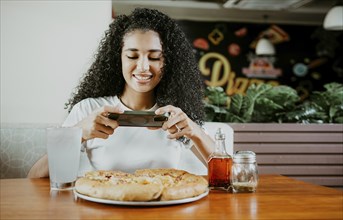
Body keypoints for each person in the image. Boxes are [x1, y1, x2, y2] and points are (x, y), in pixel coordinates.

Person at [27, 7, 214, 178]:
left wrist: (194, 131)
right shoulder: (89, 109)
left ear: (168, 62)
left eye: (155, 57)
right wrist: (79, 133)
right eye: (132, 56)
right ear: (119, 59)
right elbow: (34, 177)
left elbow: (228, 174)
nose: (143, 67)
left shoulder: (174, 114)